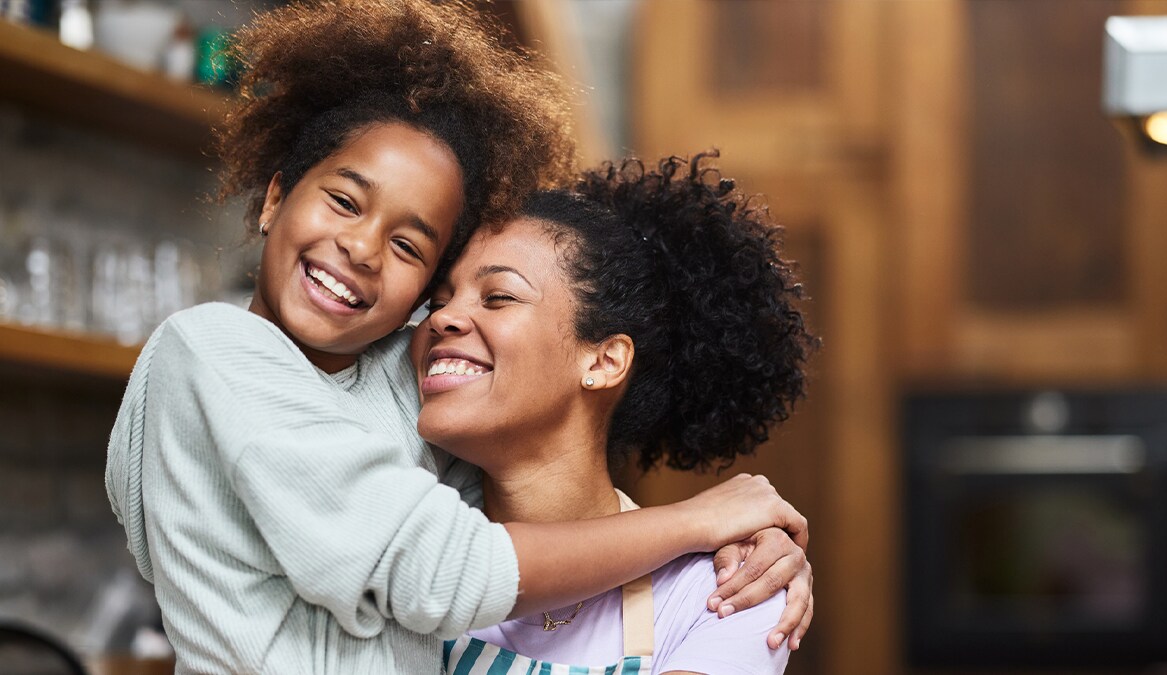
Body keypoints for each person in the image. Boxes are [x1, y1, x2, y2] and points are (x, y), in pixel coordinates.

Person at [104, 2, 812, 673]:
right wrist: (699, 518)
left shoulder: (401, 403)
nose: (361, 248)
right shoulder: (209, 352)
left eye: (413, 252)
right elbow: (443, 570)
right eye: (345, 200)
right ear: (273, 197)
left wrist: (754, 538)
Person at [413, 152, 819, 674]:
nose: (443, 317)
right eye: (438, 300)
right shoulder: (402, 535)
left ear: (604, 361)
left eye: (497, 297)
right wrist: (696, 519)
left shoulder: (730, 590)